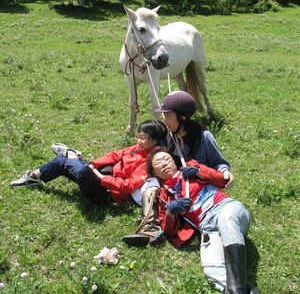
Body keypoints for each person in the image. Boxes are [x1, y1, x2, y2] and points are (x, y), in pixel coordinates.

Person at [123, 91, 234, 245]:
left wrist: (225, 172)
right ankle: (151, 227)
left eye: (168, 116)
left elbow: (219, 162)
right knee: (149, 187)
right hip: (173, 189)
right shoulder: (168, 137)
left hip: (197, 191)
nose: (164, 120)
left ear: (183, 117)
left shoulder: (204, 137)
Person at [147, 147, 259, 294]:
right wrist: (171, 211)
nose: (163, 164)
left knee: (227, 219)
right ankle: (245, 290)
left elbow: (222, 180)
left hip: (225, 208)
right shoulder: (163, 195)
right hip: (207, 227)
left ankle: (237, 289)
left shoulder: (190, 167)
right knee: (211, 269)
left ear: (174, 162)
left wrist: (198, 172)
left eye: (167, 159)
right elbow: (169, 230)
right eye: (158, 163)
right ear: (154, 172)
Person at [10, 120, 167, 207]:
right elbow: (115, 155)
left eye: (142, 137)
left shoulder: (150, 162)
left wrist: (98, 176)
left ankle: (70, 157)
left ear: (155, 140)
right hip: (105, 175)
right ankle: (37, 175)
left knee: (72, 166)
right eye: (138, 136)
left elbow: (128, 186)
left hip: (108, 194)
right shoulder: (139, 147)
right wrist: (94, 164)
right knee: (68, 164)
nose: (138, 140)